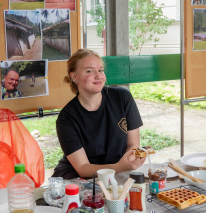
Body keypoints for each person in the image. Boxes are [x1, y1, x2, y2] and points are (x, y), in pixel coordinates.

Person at [53, 49, 145, 179]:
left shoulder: (122, 97)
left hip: (117, 171)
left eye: (100, 70)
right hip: (78, 177)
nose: (98, 76)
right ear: (74, 76)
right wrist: (119, 167)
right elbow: (83, 168)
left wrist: (126, 164)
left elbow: (133, 145)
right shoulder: (66, 118)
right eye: (89, 71)